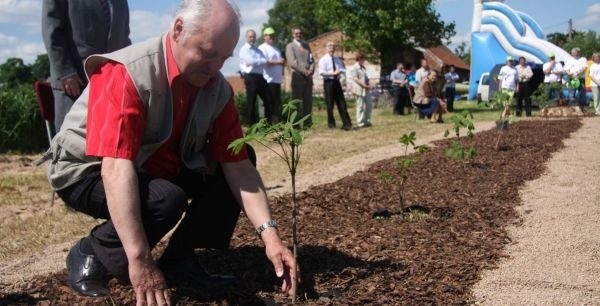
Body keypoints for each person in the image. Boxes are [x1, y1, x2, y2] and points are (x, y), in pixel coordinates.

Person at [39, 1, 296, 304]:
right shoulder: (127, 72)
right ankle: (91, 251)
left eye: (223, 58)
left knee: (241, 157)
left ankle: (181, 259)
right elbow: (116, 168)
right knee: (164, 199)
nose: (215, 67)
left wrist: (271, 238)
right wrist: (140, 259)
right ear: (178, 30)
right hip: (86, 167)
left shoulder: (217, 88)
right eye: (208, 53)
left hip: (150, 165)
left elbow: (238, 167)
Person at [41, 0, 130, 132]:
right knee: (71, 144)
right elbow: (51, 30)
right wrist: (65, 71)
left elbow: (124, 37)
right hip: (75, 83)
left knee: (106, 146)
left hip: (111, 85)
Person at [239, 29, 274, 124]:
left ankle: (268, 124)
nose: (252, 38)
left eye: (254, 36)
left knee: (268, 99)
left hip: (260, 76)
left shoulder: (257, 50)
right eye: (250, 36)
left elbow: (264, 61)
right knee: (252, 101)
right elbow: (250, 61)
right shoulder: (243, 49)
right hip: (250, 77)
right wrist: (258, 61)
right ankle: (252, 125)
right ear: (246, 38)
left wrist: (256, 61)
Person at [318, 41, 353, 130]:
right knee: (330, 104)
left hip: (337, 82)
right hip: (328, 82)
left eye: (333, 47)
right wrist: (332, 73)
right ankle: (331, 124)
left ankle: (347, 123)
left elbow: (342, 69)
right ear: (326, 48)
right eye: (329, 47)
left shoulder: (337, 59)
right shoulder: (323, 60)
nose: (331, 48)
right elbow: (321, 73)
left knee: (342, 103)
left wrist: (339, 72)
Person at [285, 27, 315, 127]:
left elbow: (311, 60)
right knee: (296, 102)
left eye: (300, 33)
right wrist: (304, 71)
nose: (298, 35)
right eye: (296, 33)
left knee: (308, 102)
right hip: (297, 76)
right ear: (293, 34)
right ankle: (296, 124)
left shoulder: (306, 45)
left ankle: (307, 123)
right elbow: (292, 62)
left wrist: (311, 69)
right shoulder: (290, 46)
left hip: (308, 77)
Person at [258, 27, 285, 123]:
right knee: (269, 102)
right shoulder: (262, 48)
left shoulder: (276, 48)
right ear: (264, 36)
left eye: (273, 35)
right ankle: (268, 122)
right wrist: (278, 62)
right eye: (270, 35)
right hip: (268, 79)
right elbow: (265, 62)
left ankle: (276, 122)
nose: (272, 37)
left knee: (276, 102)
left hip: (277, 80)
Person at [349, 52, 375, 127]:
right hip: (359, 89)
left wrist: (370, 84)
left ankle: (367, 121)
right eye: (362, 59)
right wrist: (364, 85)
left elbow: (367, 77)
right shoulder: (354, 68)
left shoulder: (363, 68)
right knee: (360, 106)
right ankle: (360, 122)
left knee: (369, 105)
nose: (363, 61)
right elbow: (355, 79)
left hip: (366, 89)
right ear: (359, 59)